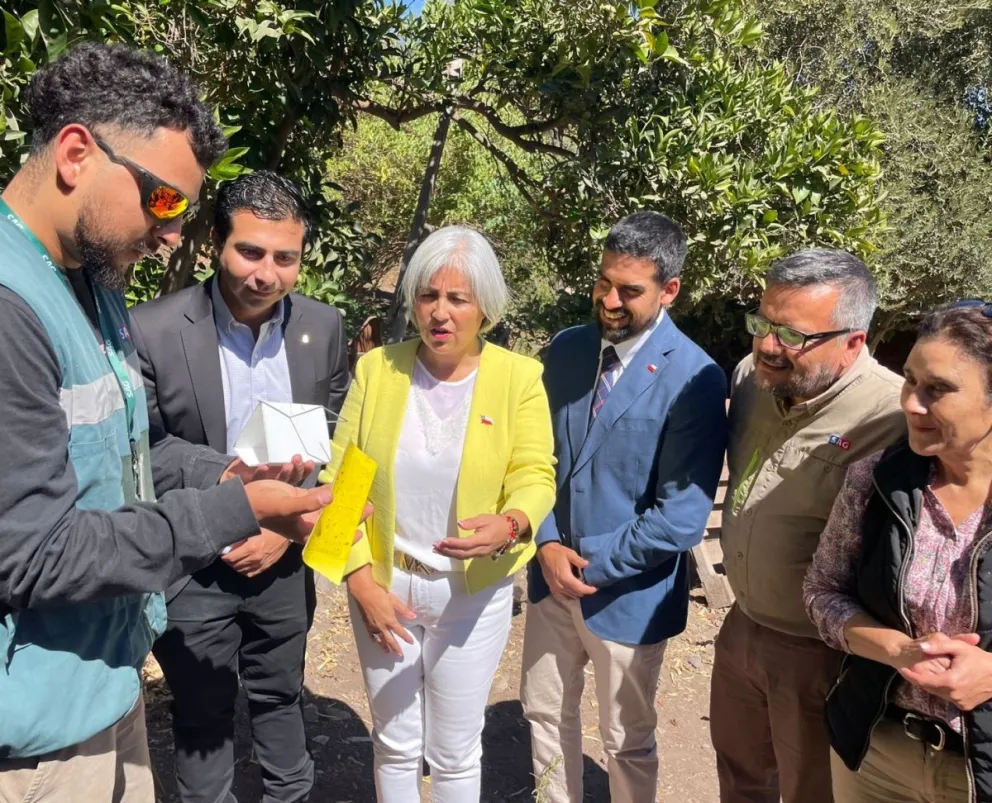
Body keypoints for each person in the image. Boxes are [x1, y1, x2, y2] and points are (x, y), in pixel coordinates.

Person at [0, 44, 333, 802]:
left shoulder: (93, 284)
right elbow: (34, 554)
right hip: (36, 733)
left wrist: (223, 472)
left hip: (104, 687)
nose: (172, 233)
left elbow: (134, 449)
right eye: (163, 200)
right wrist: (234, 508)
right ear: (78, 153)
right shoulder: (9, 305)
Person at [130, 171, 350, 803]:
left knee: (281, 697)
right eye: (250, 251)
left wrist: (284, 533)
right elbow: (145, 446)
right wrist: (235, 501)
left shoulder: (323, 327)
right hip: (197, 560)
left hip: (282, 561)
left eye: (286, 257)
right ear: (216, 244)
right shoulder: (153, 330)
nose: (267, 273)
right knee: (202, 715)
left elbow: (334, 442)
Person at [320, 225, 556, 802]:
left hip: (471, 597)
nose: (440, 313)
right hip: (386, 587)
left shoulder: (518, 378)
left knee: (454, 751)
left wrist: (512, 523)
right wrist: (360, 581)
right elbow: (341, 483)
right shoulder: (378, 370)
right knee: (396, 744)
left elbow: (534, 472)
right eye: (429, 296)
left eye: (458, 299)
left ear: (485, 308)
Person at [521, 211, 728, 803]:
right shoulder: (565, 350)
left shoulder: (696, 377)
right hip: (550, 578)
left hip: (628, 596)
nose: (609, 300)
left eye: (629, 290)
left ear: (670, 291)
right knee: (542, 714)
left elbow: (681, 516)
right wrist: (547, 541)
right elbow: (538, 458)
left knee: (625, 742)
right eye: (603, 282)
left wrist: (581, 561)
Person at [710, 249, 906, 803]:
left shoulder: (892, 416)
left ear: (854, 341)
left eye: (792, 335)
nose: (769, 345)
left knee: (809, 790)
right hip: (742, 622)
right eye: (764, 324)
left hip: (820, 652)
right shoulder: (751, 378)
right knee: (739, 773)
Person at [804, 302, 992, 803]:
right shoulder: (877, 478)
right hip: (878, 753)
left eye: (938, 389)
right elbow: (823, 592)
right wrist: (896, 650)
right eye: (910, 381)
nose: (911, 403)